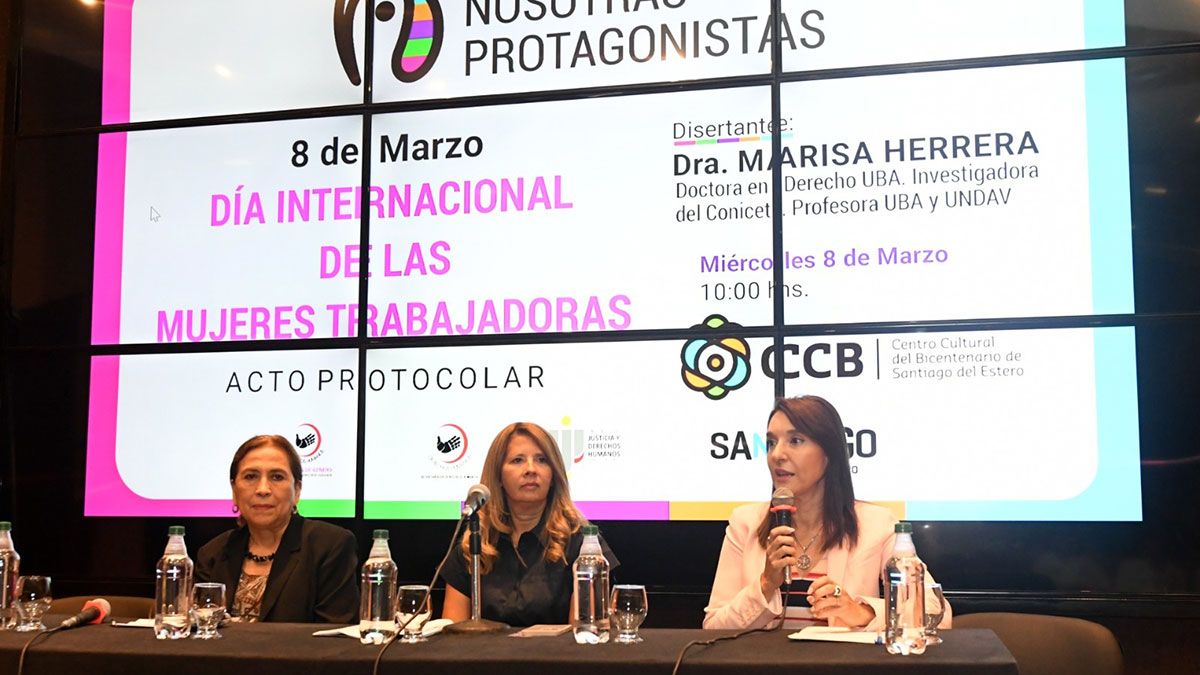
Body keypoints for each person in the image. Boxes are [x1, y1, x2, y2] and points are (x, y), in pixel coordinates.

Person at [704, 396, 952, 631]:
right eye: (771, 443)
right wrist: (766, 584)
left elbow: (937, 612)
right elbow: (713, 628)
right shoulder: (745, 523)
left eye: (795, 441)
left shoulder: (876, 525)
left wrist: (863, 613)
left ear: (829, 453)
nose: (777, 455)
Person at [440, 422, 618, 626]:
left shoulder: (583, 544)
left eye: (542, 460)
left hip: (559, 648)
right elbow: (453, 634)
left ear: (553, 475)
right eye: (517, 460)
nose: (531, 469)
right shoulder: (474, 543)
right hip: (484, 648)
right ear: (498, 476)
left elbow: (585, 633)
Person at [196, 434, 358, 623]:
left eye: (277, 477)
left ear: (297, 490)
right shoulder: (212, 554)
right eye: (250, 476)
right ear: (234, 490)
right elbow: (201, 630)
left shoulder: (330, 547)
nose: (263, 489)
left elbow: (333, 633)